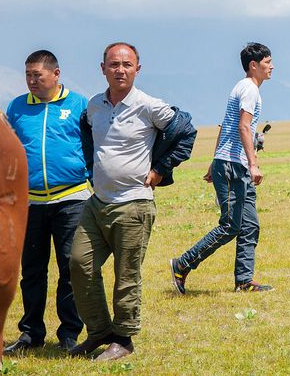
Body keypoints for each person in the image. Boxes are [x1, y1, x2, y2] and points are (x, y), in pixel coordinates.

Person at [69, 42, 195, 361]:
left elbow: (186, 132)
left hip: (134, 204)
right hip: (98, 203)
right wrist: (91, 169)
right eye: (113, 64)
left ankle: (123, 339)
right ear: (103, 69)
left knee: (126, 276)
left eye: (127, 64)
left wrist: (160, 171)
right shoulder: (94, 105)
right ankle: (99, 331)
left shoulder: (148, 106)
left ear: (138, 68)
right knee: (79, 264)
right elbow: (88, 137)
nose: (120, 70)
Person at [170, 43, 275, 295]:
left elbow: (225, 126)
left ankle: (244, 281)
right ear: (254, 65)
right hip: (233, 166)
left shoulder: (246, 88)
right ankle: (182, 264)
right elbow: (242, 126)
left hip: (230, 163)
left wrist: (213, 160)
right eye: (267, 62)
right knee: (230, 225)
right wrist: (253, 164)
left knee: (249, 225)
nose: (272, 66)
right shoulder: (249, 89)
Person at [3, 51, 89, 355]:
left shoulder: (78, 105)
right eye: (27, 74)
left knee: (71, 269)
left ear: (56, 74)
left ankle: (69, 334)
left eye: (37, 75)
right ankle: (31, 333)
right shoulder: (16, 107)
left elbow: (91, 146)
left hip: (72, 199)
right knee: (33, 271)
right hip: (30, 204)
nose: (31, 80)